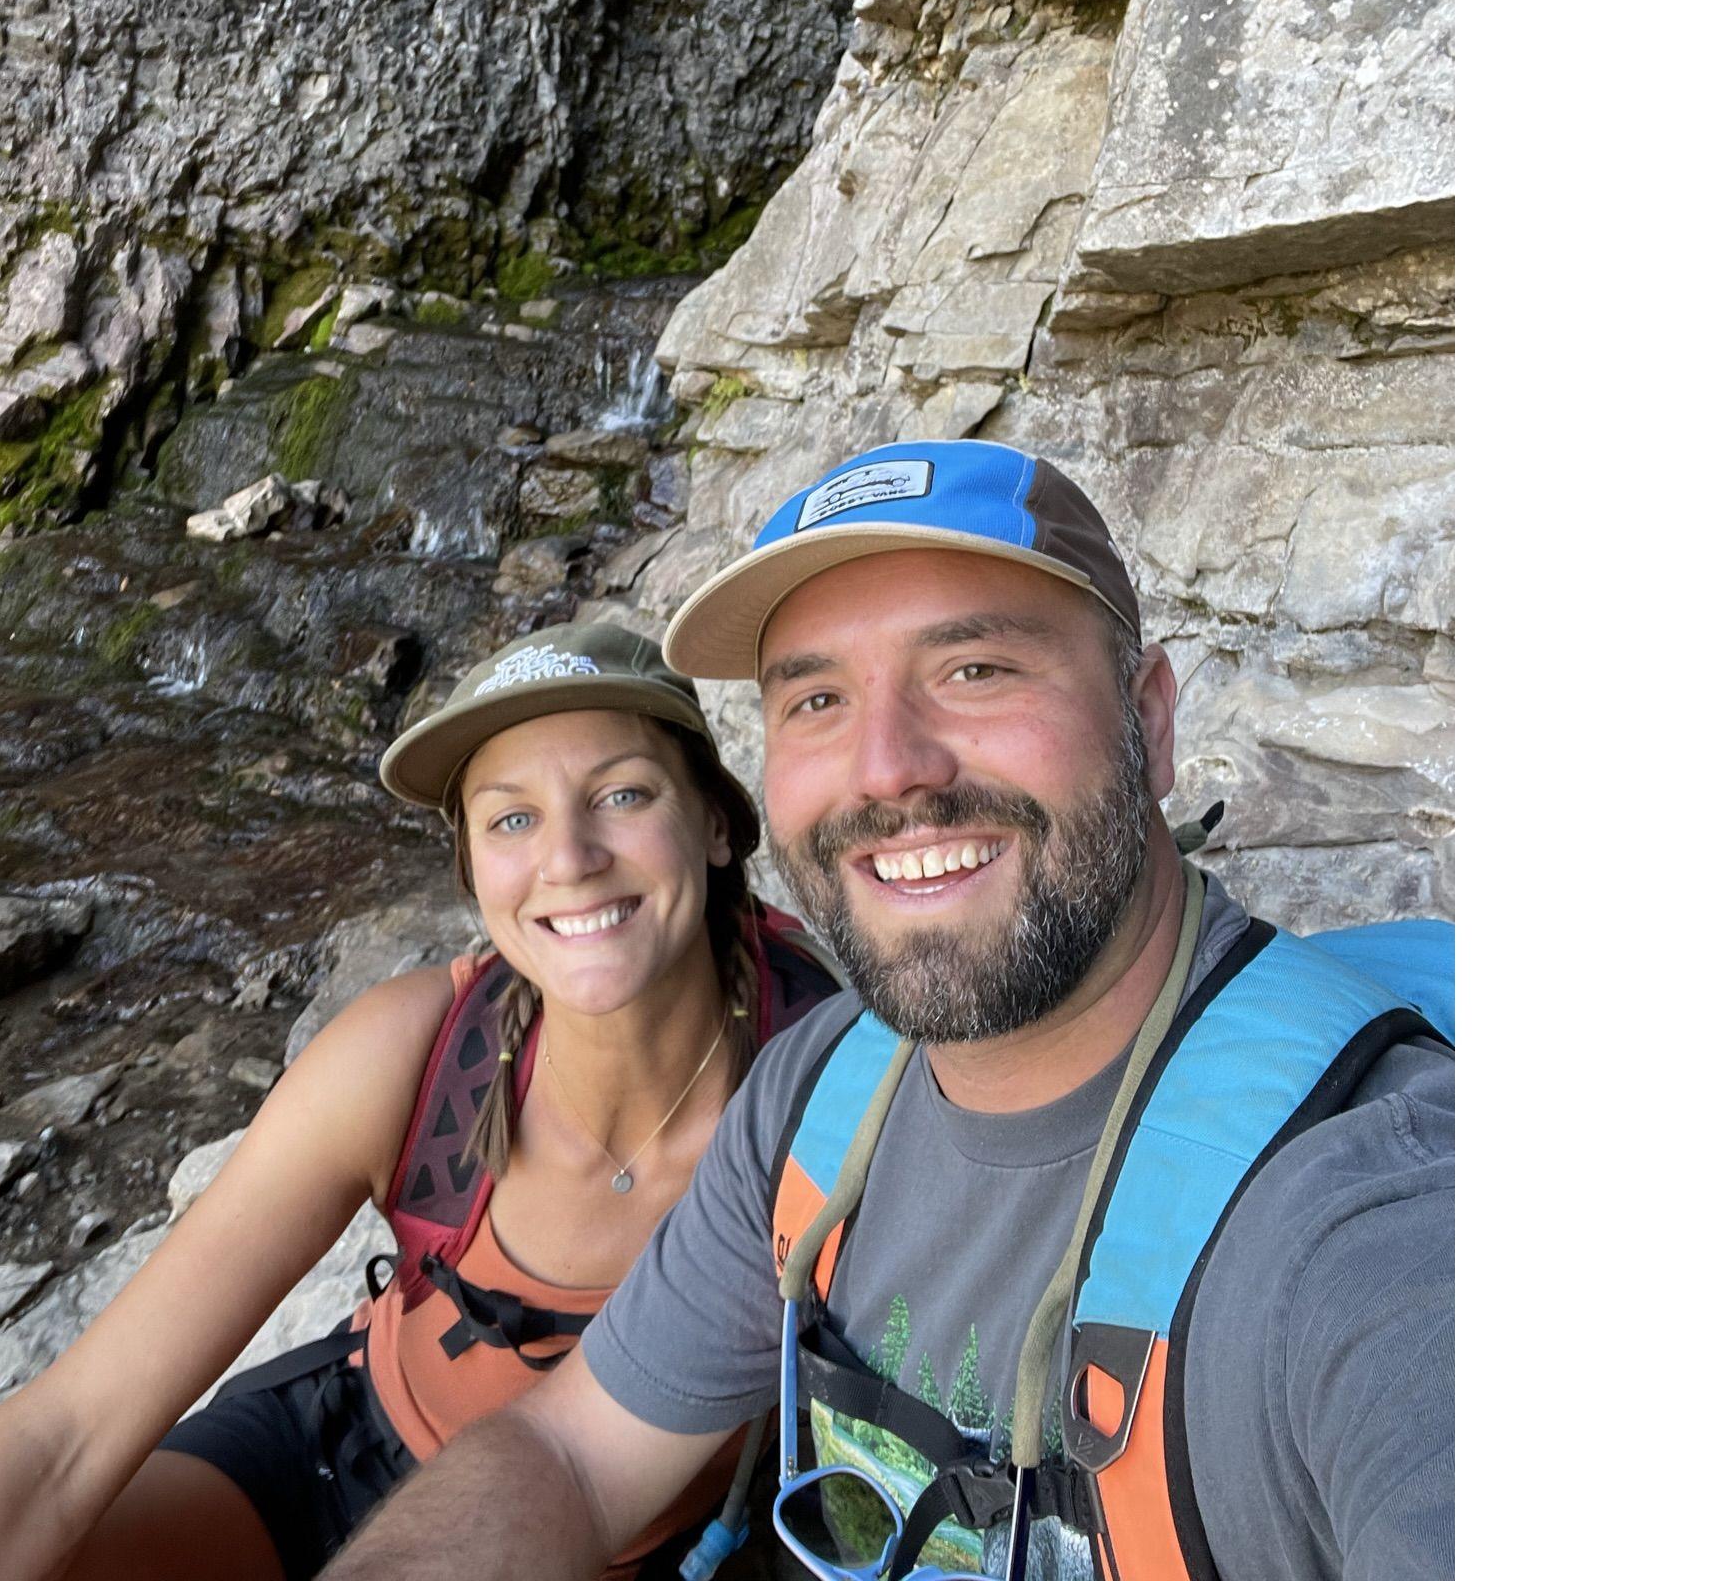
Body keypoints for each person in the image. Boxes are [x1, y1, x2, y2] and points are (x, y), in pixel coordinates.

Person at [319, 441, 1454, 1581]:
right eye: (816, 697)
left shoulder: (1371, 1216)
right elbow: (567, 1453)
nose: (886, 769)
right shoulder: (818, 1093)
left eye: (973, 669)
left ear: (1147, 720)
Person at [0, 621, 837, 1581]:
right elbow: (65, 1435)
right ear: (473, 868)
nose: (568, 857)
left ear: (716, 824)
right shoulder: (410, 1056)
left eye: (622, 794)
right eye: (511, 818)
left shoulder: (831, 1091)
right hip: (337, 1455)